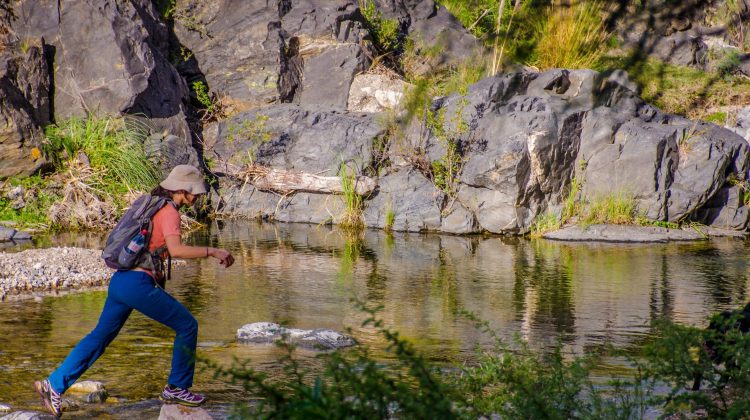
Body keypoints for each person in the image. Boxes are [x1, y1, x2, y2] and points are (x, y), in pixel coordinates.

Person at [34, 165, 235, 417]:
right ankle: (177, 387)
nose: (199, 197)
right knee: (187, 325)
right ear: (183, 191)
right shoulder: (169, 211)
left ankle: (54, 383)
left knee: (99, 338)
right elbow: (176, 250)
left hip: (121, 281)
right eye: (196, 192)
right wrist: (214, 251)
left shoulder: (153, 204)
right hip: (137, 285)